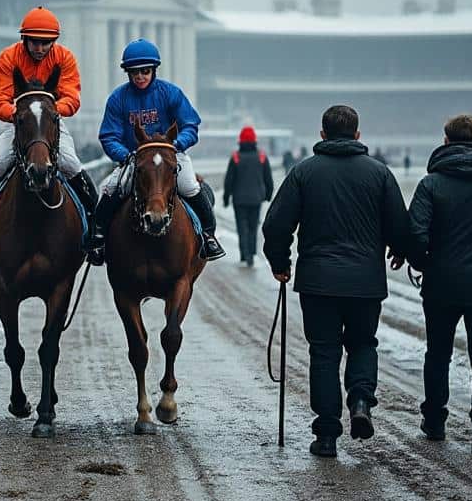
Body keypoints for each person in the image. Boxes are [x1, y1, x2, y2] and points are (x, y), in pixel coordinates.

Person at [263, 105, 410, 458]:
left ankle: (327, 434)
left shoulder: (303, 172)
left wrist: (280, 262)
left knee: (324, 353)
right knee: (363, 344)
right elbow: (400, 225)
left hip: (318, 282)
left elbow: (275, 225)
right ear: (358, 135)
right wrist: (401, 250)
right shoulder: (380, 173)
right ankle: (360, 400)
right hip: (365, 282)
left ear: (322, 134)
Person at [0, 6, 95, 249]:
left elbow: (72, 97)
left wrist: (48, 112)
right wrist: (18, 114)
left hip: (50, 122)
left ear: (54, 41)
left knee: (72, 163)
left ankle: (96, 226)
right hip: (20, 121)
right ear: (25, 38)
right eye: (34, 42)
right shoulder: (9, 57)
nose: (40, 48)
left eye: (45, 43)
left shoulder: (64, 58)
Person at [402, 114, 472, 456]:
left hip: (441, 283)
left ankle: (435, 419)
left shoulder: (432, 184)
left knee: (438, 352)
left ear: (446, 141)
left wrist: (422, 262)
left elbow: (415, 232)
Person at [87, 38, 225, 264]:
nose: (140, 76)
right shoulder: (118, 98)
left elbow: (190, 125)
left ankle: (209, 236)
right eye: (135, 72)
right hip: (136, 158)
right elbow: (109, 136)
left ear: (153, 70)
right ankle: (99, 239)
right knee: (109, 188)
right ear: (128, 73)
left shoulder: (171, 93)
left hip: (171, 154)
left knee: (189, 185)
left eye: (145, 71)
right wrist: (125, 155)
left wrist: (177, 144)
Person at [223, 126, 274, 267]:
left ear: (240, 141)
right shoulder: (262, 157)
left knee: (242, 227)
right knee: (253, 227)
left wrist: (226, 198)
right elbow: (268, 179)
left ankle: (244, 254)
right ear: (254, 140)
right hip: (256, 199)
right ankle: (251, 253)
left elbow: (229, 181)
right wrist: (268, 195)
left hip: (239, 199)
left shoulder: (236, 157)